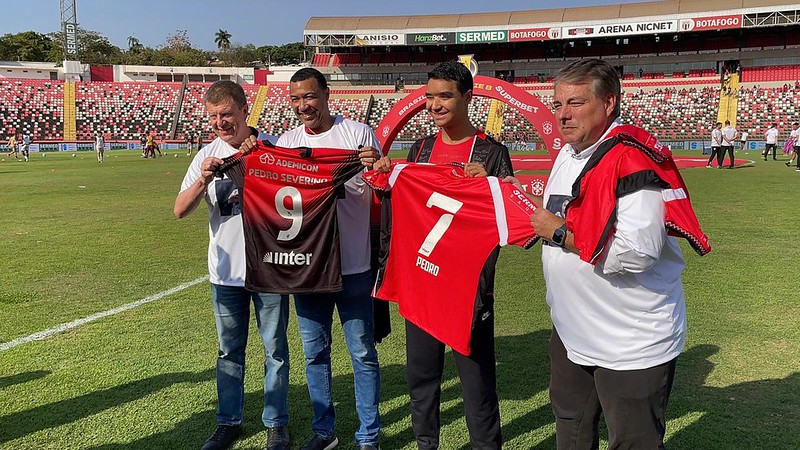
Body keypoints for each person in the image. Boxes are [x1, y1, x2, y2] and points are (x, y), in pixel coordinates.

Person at [529, 59, 711, 450]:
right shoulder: (569, 152)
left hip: (630, 342)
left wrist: (559, 234)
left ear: (609, 102)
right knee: (572, 428)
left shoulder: (632, 160)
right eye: (557, 104)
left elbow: (636, 254)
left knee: (633, 442)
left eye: (575, 103)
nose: (562, 115)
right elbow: (566, 212)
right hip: (572, 330)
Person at [372, 60, 512, 450]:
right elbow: (404, 207)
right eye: (429, 96)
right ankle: (425, 445)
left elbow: (507, 212)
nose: (434, 105)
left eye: (445, 96)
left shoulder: (491, 152)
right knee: (421, 379)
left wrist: (492, 184)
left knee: (477, 385)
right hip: (423, 282)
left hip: (468, 291)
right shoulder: (420, 149)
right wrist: (386, 177)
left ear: (468, 97)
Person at [173, 80, 291, 450]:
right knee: (229, 351)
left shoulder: (273, 146)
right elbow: (179, 209)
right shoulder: (205, 155)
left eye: (226, 114)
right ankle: (229, 422)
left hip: (269, 267)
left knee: (274, 349)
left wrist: (264, 163)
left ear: (244, 110)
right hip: (225, 274)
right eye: (212, 117)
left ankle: (276, 423)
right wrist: (204, 178)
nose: (220, 123)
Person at [271, 67, 382, 450]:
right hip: (308, 269)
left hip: (353, 264)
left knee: (362, 353)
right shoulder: (287, 142)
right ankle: (325, 433)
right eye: (296, 99)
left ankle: (368, 437)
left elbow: (381, 191)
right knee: (315, 354)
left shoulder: (358, 134)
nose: (304, 106)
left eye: (310, 97)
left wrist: (374, 166)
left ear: (326, 94)